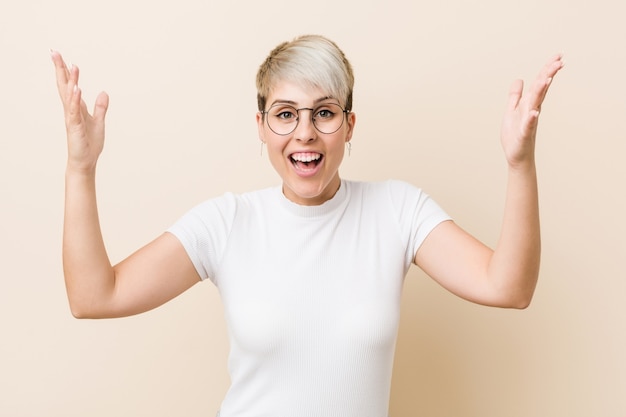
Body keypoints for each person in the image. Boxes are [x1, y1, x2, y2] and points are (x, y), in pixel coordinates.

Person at [51, 35, 563, 417]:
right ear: (260, 126)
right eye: (285, 114)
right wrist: (81, 167)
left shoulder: (397, 211)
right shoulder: (227, 223)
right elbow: (95, 296)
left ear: (349, 126)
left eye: (324, 113)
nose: (305, 134)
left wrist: (520, 164)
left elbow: (508, 287)